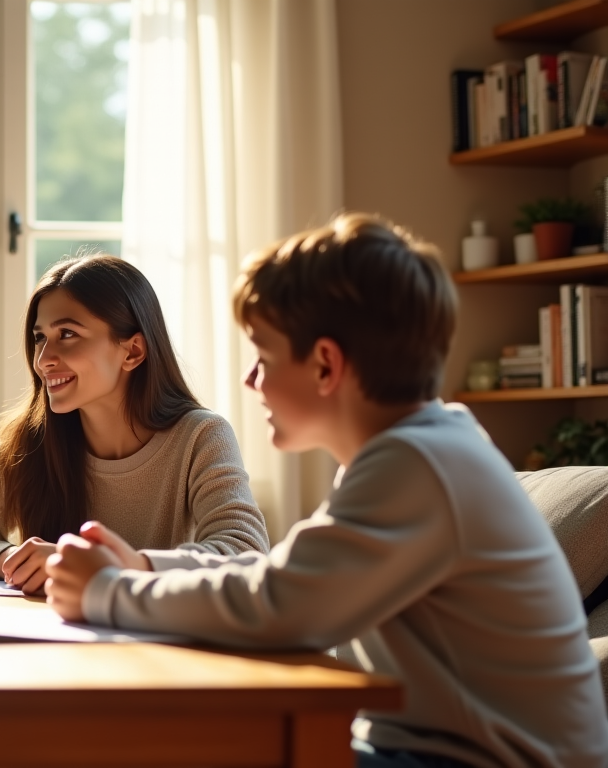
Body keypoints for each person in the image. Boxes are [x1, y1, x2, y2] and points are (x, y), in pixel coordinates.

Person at [46, 214, 608, 767]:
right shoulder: (416, 450)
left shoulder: (417, 464)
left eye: (263, 357)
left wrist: (108, 593)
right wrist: (145, 568)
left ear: (324, 365)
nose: (251, 380)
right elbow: (288, 577)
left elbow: (285, 609)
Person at [0, 254, 269, 593]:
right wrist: (19, 560)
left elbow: (246, 552)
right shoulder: (30, 439)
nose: (43, 360)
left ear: (133, 351)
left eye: (67, 333)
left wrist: (112, 567)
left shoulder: (201, 437)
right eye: (40, 337)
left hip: (156, 641)